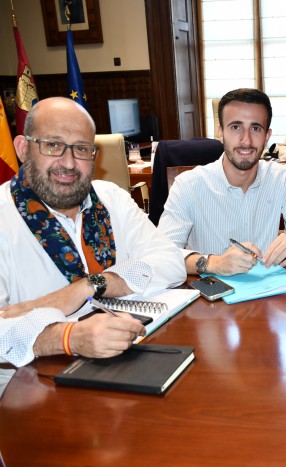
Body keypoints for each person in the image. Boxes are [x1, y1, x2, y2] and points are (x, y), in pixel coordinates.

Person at [0, 97, 186, 367]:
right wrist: (68, 337)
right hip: (32, 382)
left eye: (81, 149)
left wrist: (90, 286)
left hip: (123, 359)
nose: (69, 163)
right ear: (23, 148)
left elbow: (171, 262)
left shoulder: (112, 198)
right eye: (53, 145)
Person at [157, 88, 286, 276]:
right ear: (221, 132)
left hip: (267, 293)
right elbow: (162, 255)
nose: (246, 140)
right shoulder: (188, 186)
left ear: (267, 136)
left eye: (255, 128)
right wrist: (214, 263)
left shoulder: (281, 179)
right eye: (235, 127)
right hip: (210, 299)